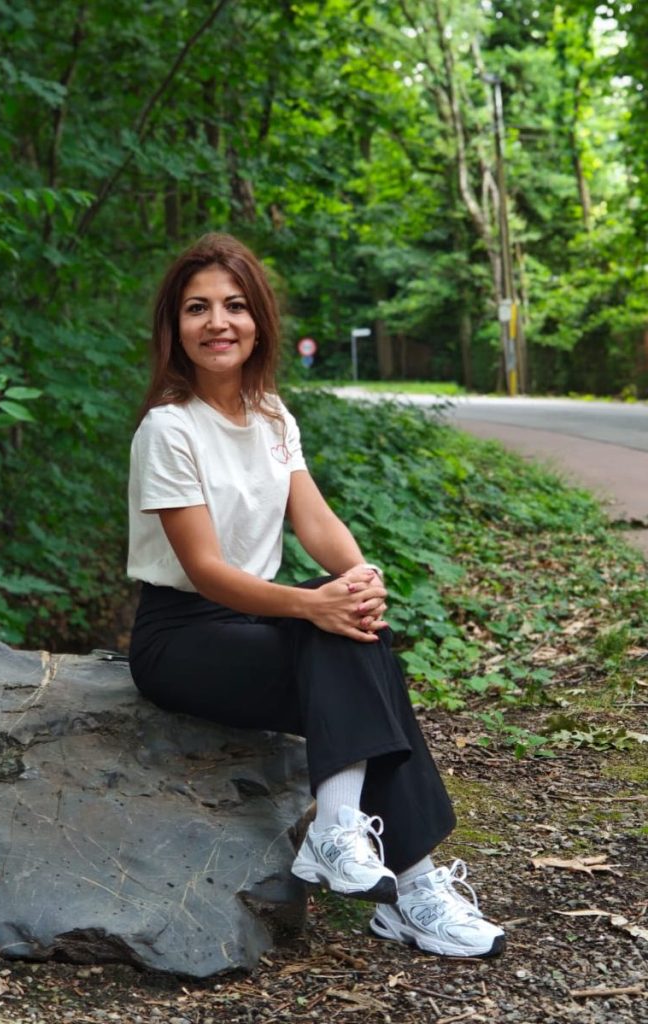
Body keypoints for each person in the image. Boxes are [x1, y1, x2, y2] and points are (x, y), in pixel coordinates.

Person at [127, 232, 505, 959]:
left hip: (257, 620)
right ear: (175, 327)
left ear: (259, 320)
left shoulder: (271, 416)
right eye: (197, 308)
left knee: (356, 628)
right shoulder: (168, 429)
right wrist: (314, 604)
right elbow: (204, 571)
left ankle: (368, 857)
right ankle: (401, 879)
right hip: (182, 637)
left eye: (235, 305)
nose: (218, 322)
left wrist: (359, 577)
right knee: (336, 630)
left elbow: (317, 522)